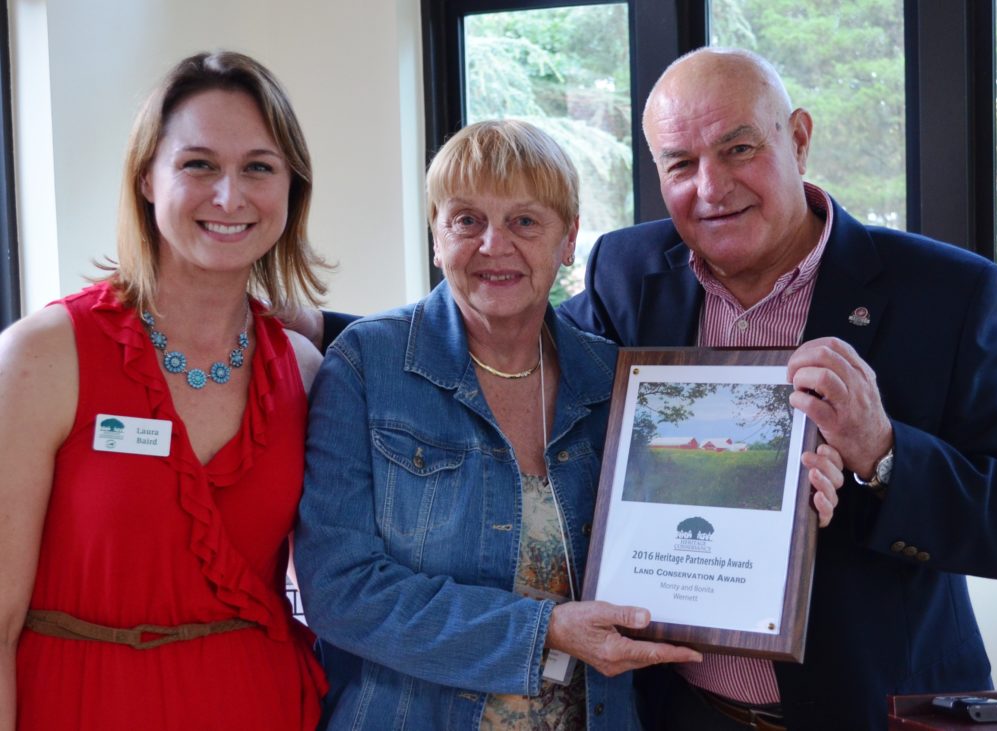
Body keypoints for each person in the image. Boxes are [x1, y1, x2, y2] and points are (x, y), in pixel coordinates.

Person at [294, 119, 843, 731]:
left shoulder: (614, 381)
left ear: (569, 241)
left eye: (525, 222)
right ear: (435, 237)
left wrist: (790, 483)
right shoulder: (365, 368)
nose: (493, 245)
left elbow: (692, 505)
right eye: (466, 220)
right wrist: (544, 631)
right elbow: (341, 592)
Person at [560, 46, 997, 731]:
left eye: (738, 147)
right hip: (680, 710)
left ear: (799, 138)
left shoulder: (945, 292)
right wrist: (345, 334)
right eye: (680, 164)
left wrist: (884, 450)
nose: (712, 187)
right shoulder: (624, 273)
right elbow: (514, 354)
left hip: (874, 709)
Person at [0, 51, 330, 730]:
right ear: (147, 177)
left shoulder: (303, 368)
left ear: (291, 187)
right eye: (198, 164)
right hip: (82, 703)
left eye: (259, 167)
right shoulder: (44, 355)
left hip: (258, 702)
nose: (229, 196)